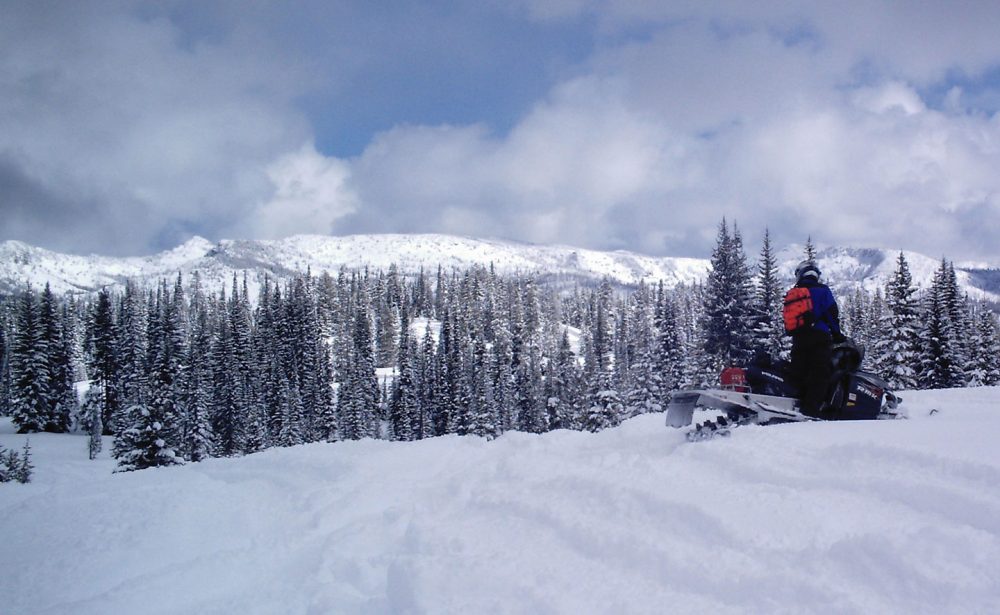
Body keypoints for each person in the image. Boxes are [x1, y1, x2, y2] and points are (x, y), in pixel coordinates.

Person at [786, 260, 844, 418]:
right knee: (820, 374)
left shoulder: (794, 292)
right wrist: (837, 334)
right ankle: (811, 411)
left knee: (798, 372)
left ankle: (794, 406)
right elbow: (832, 315)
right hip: (819, 337)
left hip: (799, 338)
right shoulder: (823, 291)